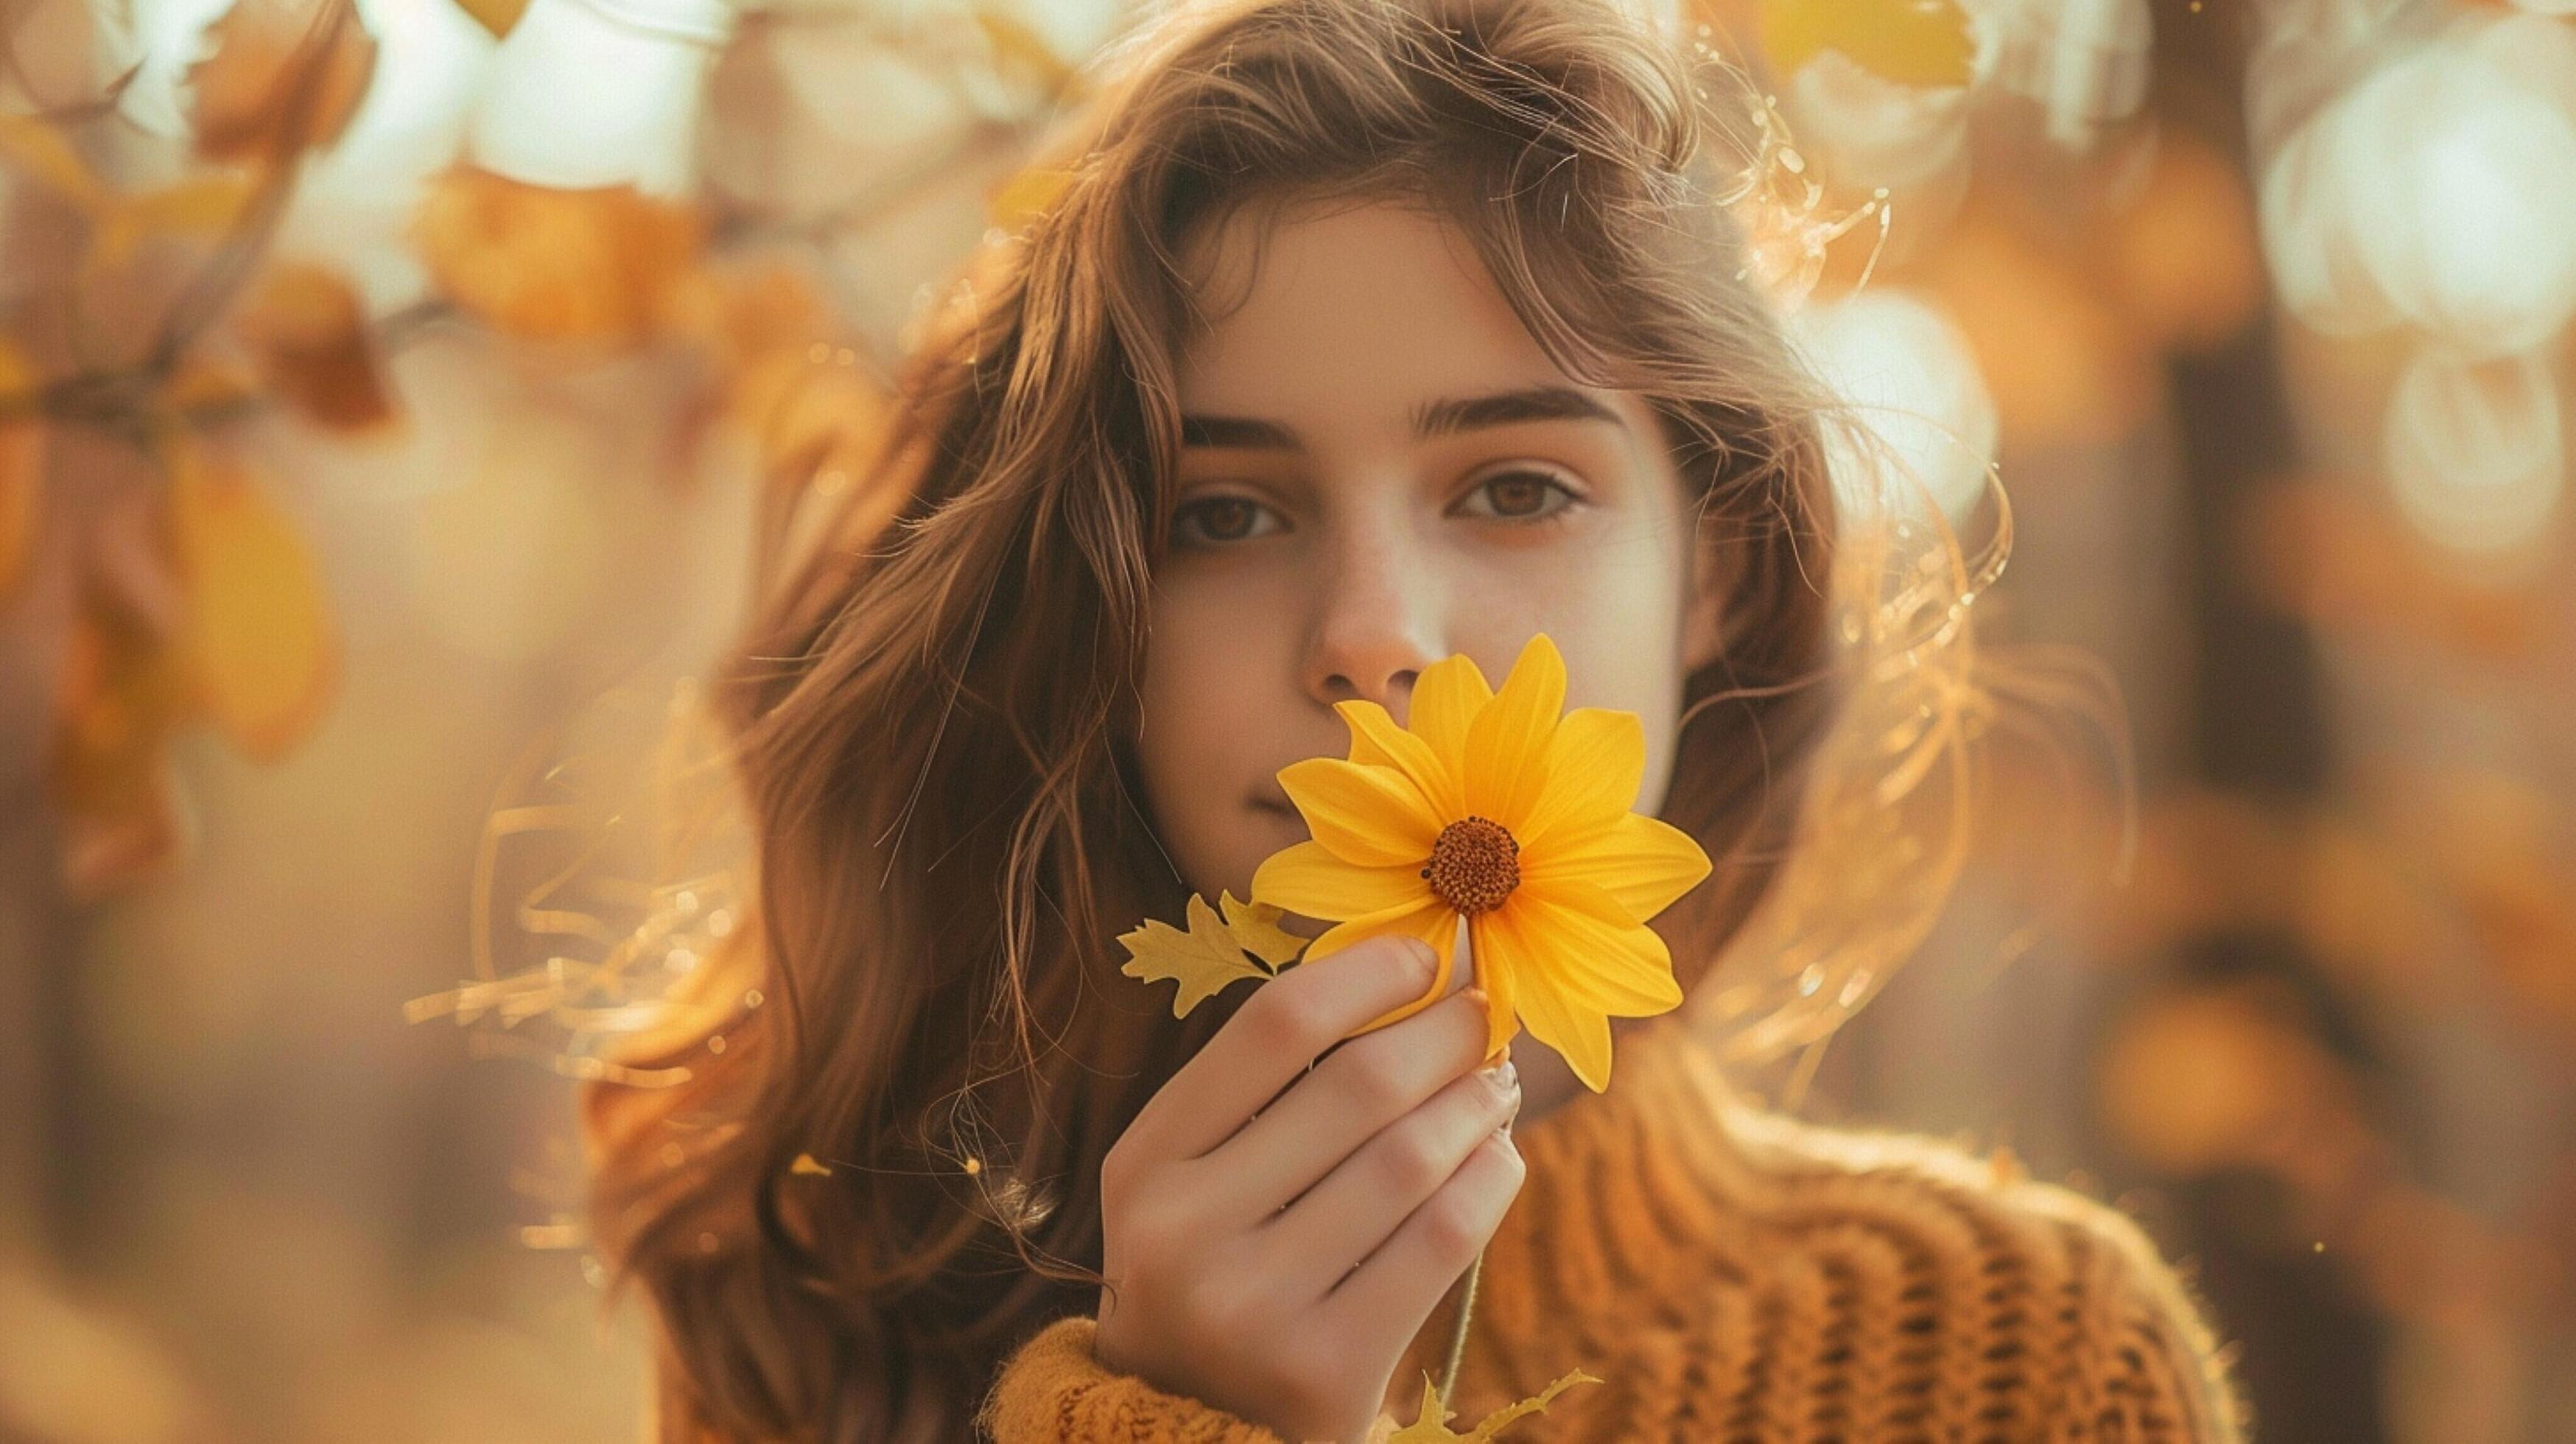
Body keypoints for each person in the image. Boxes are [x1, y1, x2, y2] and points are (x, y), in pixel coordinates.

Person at [579, 0, 2246, 1438]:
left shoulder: (2011, 1364)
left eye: (1515, 488)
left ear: (1715, 578)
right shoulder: (826, 1309)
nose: (1370, 636)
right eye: (1222, 514)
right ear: (1096, 605)